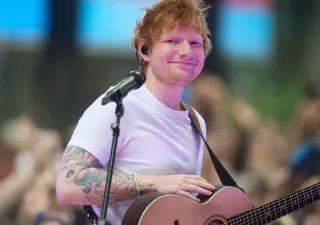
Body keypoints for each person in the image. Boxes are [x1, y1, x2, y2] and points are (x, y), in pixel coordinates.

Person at [56, 0, 216, 224]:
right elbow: (67, 184)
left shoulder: (195, 121)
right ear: (145, 49)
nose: (186, 51)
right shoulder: (118, 106)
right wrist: (153, 183)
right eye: (173, 41)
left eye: (195, 43)